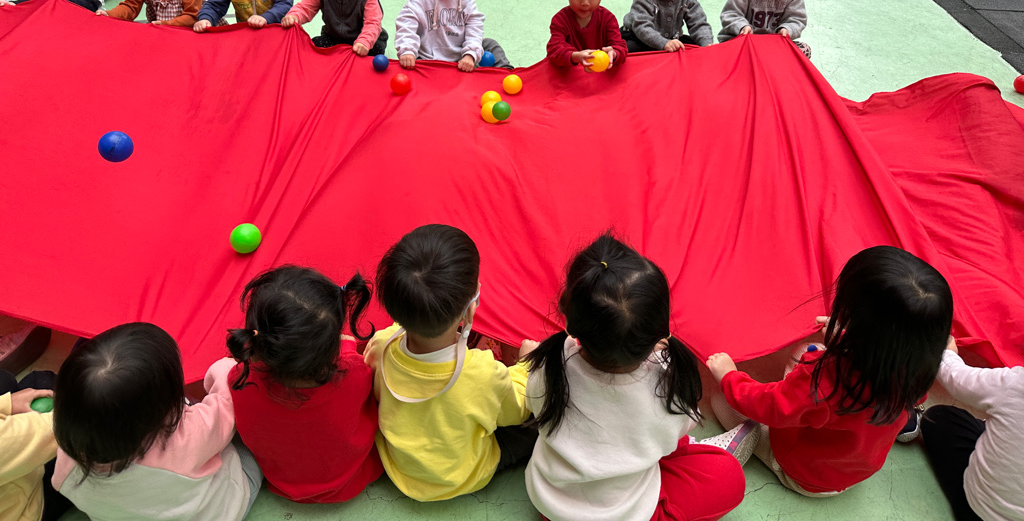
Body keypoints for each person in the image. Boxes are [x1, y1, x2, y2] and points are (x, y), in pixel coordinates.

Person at [524, 234, 747, 521]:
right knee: (727, 476)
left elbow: (533, 402)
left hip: (553, 508)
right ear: (659, 335)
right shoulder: (667, 383)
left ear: (569, 317)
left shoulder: (548, 365)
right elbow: (676, 434)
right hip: (625, 511)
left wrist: (525, 361)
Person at [705, 245, 953, 497]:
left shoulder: (825, 381)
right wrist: (846, 337)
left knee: (720, 398)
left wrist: (729, 376)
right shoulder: (918, 372)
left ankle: (748, 439)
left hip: (802, 475)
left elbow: (770, 405)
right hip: (849, 471)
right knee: (804, 351)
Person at [364, 224, 533, 501]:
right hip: (463, 476)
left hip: (400, 470)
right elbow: (519, 409)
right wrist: (526, 367)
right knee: (534, 426)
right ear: (470, 309)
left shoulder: (381, 345)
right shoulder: (483, 372)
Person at [51, 322, 262, 520]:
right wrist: (227, 366)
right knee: (254, 435)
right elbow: (227, 401)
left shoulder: (66, 464)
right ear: (156, 415)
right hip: (220, 508)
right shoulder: (188, 438)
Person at [226, 265, 384, 503]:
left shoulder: (240, 380)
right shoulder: (357, 374)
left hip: (282, 485)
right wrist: (348, 347)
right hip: (353, 481)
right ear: (332, 346)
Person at [920, 336, 1024, 521]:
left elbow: (958, 379)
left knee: (939, 418)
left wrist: (947, 352)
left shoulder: (1016, 383)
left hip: (978, 510)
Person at [0, 368, 72, 521]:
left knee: (14, 380)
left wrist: (7, 403)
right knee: (45, 383)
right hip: (23, 508)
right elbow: (69, 424)